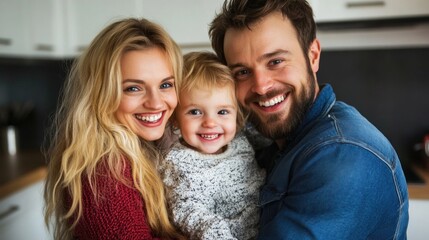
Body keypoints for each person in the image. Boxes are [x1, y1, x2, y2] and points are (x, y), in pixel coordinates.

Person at [209, 0, 409, 239]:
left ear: (313, 56)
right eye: (242, 72)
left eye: (275, 61)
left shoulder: (343, 155)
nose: (261, 86)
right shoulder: (282, 142)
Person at [43, 18, 185, 240]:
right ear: (100, 94)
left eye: (166, 85)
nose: (156, 103)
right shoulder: (104, 173)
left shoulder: (149, 146)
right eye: (134, 88)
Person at [159, 51, 265, 240]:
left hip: (269, 223)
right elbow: (188, 211)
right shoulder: (178, 162)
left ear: (236, 116)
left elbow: (272, 138)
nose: (210, 122)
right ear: (175, 119)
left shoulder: (240, 139)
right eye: (195, 112)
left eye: (222, 111)